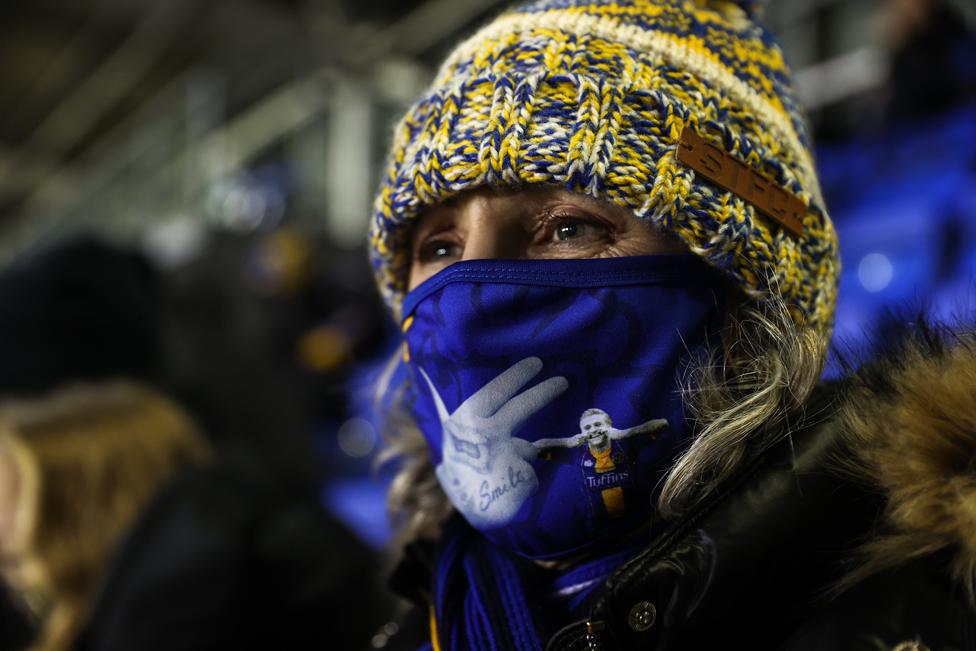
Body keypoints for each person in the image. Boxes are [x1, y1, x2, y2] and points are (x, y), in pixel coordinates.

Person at [367, 1, 976, 649]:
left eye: (569, 227)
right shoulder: (423, 624)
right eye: (437, 247)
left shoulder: (922, 616)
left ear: (745, 302)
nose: (470, 308)